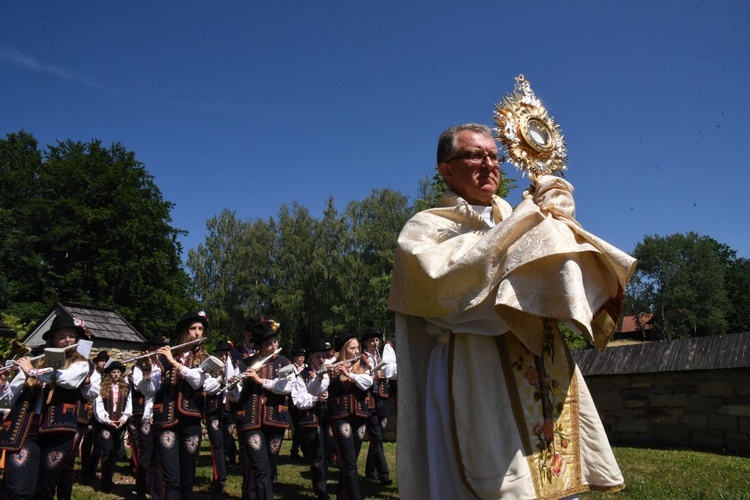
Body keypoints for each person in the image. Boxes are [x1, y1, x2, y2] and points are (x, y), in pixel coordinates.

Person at [388, 123, 637, 499]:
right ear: (446, 170)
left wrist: (560, 222)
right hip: (473, 361)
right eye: (475, 155)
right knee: (494, 482)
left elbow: (558, 282)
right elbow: (445, 288)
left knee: (552, 472)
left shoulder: (522, 213)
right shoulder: (426, 227)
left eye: (494, 155)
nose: (489, 164)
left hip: (541, 359)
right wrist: (527, 220)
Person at [0, 314, 91, 499]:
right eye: (61, 336)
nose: (67, 340)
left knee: (44, 491)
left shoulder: (80, 364)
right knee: (19, 490)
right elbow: (8, 399)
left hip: (59, 432)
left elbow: (67, 381)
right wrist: (2, 383)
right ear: (53, 340)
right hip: (26, 430)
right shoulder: (33, 361)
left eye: (71, 336)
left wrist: (32, 372)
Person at [149, 311, 212, 500]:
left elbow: (197, 382)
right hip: (166, 420)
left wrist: (173, 362)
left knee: (187, 477)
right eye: (193, 329)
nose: (197, 333)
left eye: (200, 329)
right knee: (171, 477)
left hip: (191, 419)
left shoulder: (205, 359)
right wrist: (146, 368)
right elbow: (150, 388)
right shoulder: (164, 357)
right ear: (185, 332)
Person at [228, 319, 292, 500]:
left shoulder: (284, 362)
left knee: (269, 469)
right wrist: (232, 387)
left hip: (275, 420)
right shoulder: (245, 364)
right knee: (260, 467)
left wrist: (260, 381)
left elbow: (287, 387)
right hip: (251, 421)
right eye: (268, 344)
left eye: (275, 342)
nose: (273, 346)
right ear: (259, 346)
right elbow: (236, 396)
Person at [326, 332, 373, 500]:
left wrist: (350, 374)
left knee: (350, 461)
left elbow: (368, 382)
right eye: (352, 348)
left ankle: (342, 495)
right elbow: (317, 389)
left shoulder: (363, 364)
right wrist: (322, 376)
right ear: (345, 350)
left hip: (359, 415)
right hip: (341, 416)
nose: (356, 351)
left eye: (357, 348)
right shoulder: (332, 366)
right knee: (349, 462)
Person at [291, 339, 332, 500]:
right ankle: (320, 490)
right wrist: (316, 398)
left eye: (323, 356)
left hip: (328, 417)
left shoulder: (330, 372)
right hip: (311, 417)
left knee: (328, 453)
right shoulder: (303, 375)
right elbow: (299, 400)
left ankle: (323, 485)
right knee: (317, 454)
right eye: (317, 357)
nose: (321, 360)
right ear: (310, 357)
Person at [131, 335, 167, 500]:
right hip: (145, 413)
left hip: (162, 413)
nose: (156, 352)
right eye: (153, 348)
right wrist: (147, 370)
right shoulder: (139, 366)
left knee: (159, 454)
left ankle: (155, 489)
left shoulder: (167, 365)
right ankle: (141, 487)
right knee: (146, 451)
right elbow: (142, 389)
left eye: (159, 348)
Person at [360, 327, 394, 485]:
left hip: (383, 399)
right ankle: (384, 474)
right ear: (365, 342)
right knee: (377, 437)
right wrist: (372, 376)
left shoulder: (382, 357)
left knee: (378, 435)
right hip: (370, 400)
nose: (375, 343)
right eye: (372, 340)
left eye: (377, 340)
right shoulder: (361, 359)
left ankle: (370, 470)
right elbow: (359, 378)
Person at [203, 340, 237, 494]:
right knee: (216, 444)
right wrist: (219, 378)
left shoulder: (233, 367)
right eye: (221, 353)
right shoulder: (210, 367)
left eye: (226, 353)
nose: (223, 356)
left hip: (228, 409)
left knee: (227, 442)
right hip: (214, 409)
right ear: (216, 354)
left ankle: (223, 473)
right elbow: (208, 388)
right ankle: (219, 478)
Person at [94, 360, 133, 493]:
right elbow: (98, 405)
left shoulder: (126, 387)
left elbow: (129, 405)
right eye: (113, 372)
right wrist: (107, 420)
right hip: (106, 423)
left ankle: (109, 478)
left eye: (118, 372)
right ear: (109, 374)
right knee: (107, 450)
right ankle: (105, 483)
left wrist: (124, 417)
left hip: (120, 423)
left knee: (115, 452)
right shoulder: (102, 387)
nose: (116, 374)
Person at [80, 350, 110, 483]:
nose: (104, 363)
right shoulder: (91, 373)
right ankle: (85, 470)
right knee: (87, 441)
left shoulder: (106, 376)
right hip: (88, 409)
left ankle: (93, 468)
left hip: (100, 411)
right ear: (97, 362)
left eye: (105, 361)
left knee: (98, 442)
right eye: (102, 360)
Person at [288, 346, 308, 461]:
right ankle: (297, 451)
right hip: (293, 399)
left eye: (303, 356)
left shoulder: (307, 368)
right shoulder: (290, 368)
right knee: (298, 426)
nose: (302, 358)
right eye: (299, 356)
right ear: (294, 357)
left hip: (305, 398)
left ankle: (298, 451)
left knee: (302, 426)